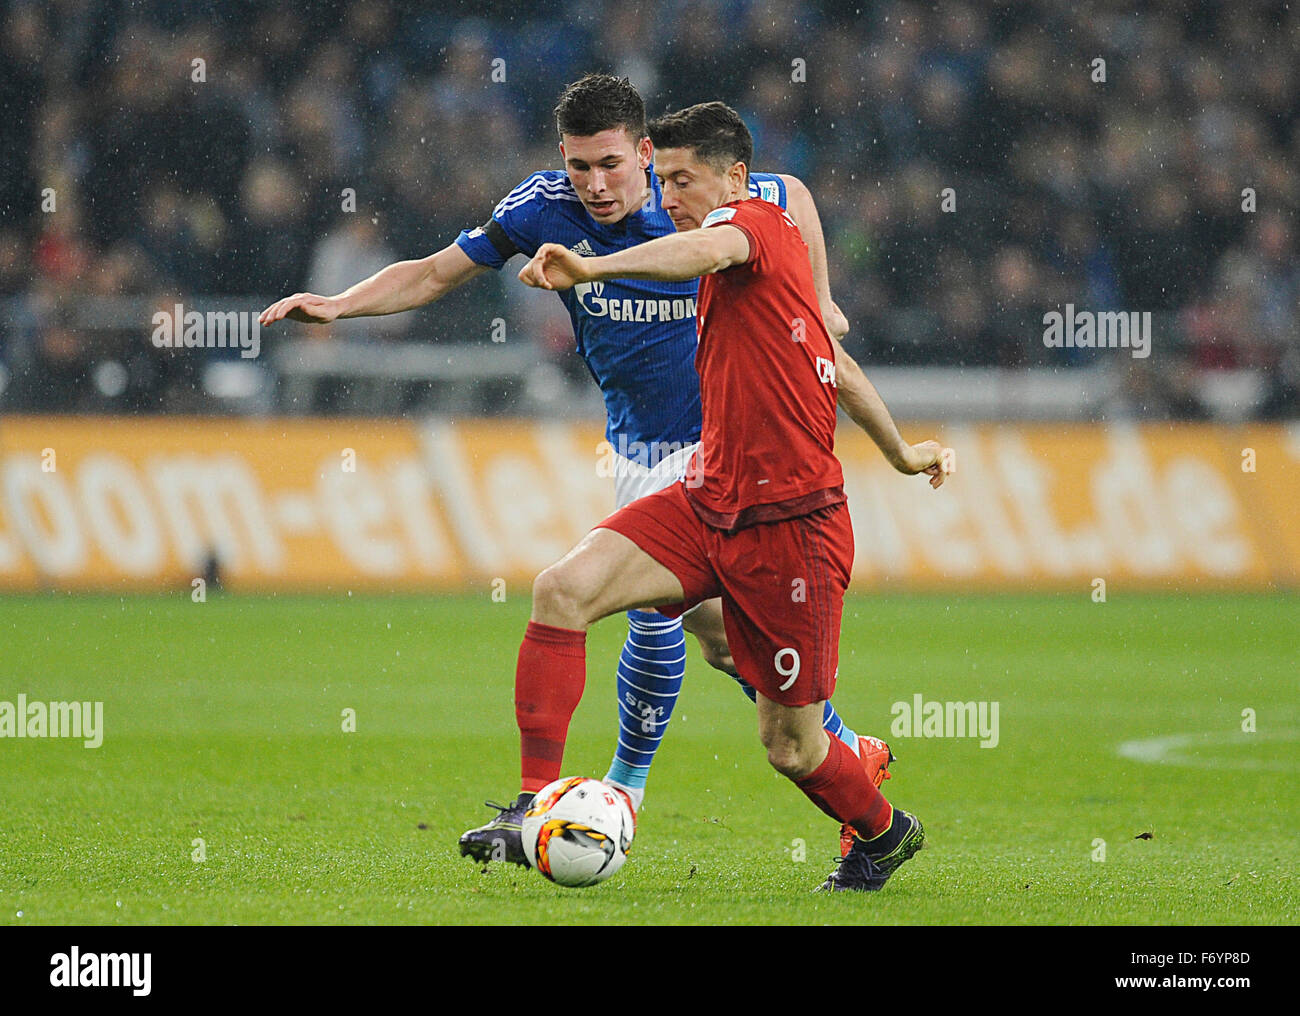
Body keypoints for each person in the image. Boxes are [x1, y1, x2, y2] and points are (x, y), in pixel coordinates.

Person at [260, 74, 892, 865]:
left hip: (723, 452)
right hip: (635, 450)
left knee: (629, 612)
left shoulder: (698, 200)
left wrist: (820, 298)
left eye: (612, 165)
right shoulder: (541, 208)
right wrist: (340, 304)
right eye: (579, 165)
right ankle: (845, 749)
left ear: (647, 152)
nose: (595, 185)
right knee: (727, 646)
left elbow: (790, 192)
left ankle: (605, 797)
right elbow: (431, 272)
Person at [511, 100, 954, 891]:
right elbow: (839, 369)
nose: (669, 194)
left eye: (682, 179)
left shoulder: (750, 227)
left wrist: (591, 268)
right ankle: (527, 807)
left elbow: (696, 249)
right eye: (663, 178)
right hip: (705, 499)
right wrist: (902, 452)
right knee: (562, 590)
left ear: (737, 178)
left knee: (792, 746)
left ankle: (884, 834)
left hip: (794, 531)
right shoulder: (747, 266)